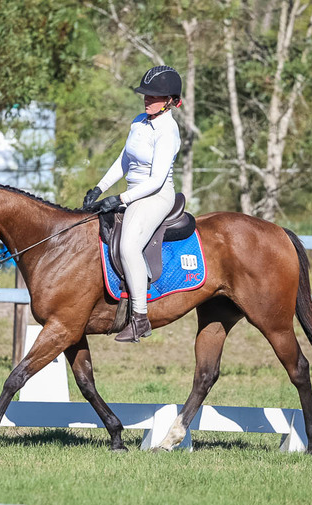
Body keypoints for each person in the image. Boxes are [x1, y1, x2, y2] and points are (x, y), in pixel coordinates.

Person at [83, 65, 183, 343]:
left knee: (128, 246)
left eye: (154, 96)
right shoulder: (139, 121)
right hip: (133, 194)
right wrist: (100, 188)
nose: (147, 99)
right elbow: (124, 161)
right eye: (145, 95)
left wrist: (119, 198)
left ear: (171, 100)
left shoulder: (168, 130)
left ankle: (139, 319)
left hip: (155, 196)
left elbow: (156, 179)